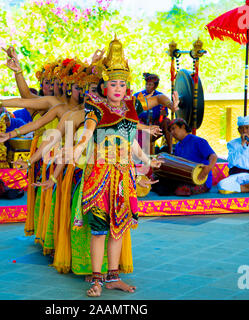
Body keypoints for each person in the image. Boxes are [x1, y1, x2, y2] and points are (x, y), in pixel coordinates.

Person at [72, 36, 179, 297]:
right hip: (99, 176)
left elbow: (135, 135)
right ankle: (95, 280)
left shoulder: (131, 107)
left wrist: (170, 105)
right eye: (113, 84)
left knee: (118, 229)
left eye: (122, 84)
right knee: (99, 230)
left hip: (123, 179)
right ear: (104, 86)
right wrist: (77, 146)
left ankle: (113, 278)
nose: (118, 88)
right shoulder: (95, 108)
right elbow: (87, 132)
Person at [151, 118, 217, 196]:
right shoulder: (178, 146)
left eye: (173, 128)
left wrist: (209, 167)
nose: (172, 133)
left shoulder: (198, 141)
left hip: (200, 180)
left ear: (182, 127)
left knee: (175, 189)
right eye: (170, 131)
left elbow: (213, 155)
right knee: (157, 180)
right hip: (185, 179)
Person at [134, 73, 173, 153]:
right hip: (142, 124)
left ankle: (171, 151)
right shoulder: (137, 96)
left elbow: (165, 114)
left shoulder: (161, 96)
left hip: (156, 124)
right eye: (147, 84)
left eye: (150, 84)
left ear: (155, 86)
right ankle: (141, 154)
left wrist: (163, 114)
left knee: (167, 122)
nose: (147, 86)